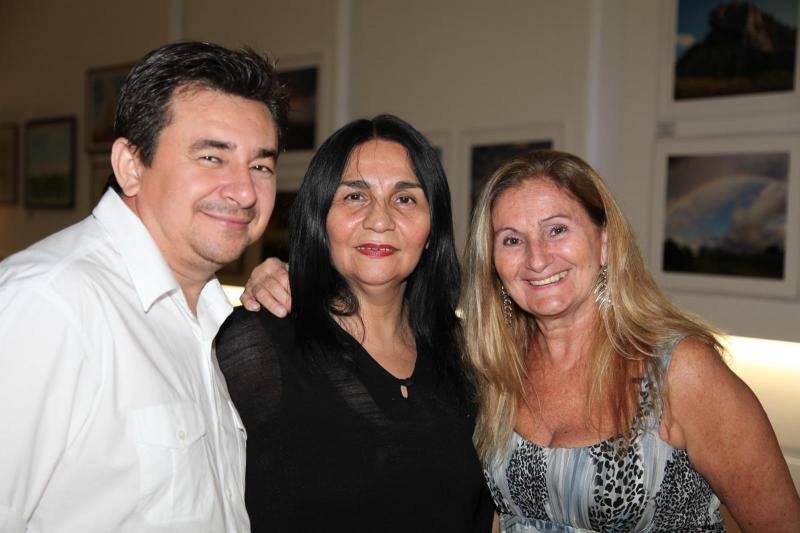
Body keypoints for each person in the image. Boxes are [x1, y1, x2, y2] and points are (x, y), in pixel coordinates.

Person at [0, 41, 288, 532]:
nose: (245, 191)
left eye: (260, 165)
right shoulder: (50, 305)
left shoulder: (205, 318)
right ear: (131, 166)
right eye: (212, 157)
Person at [460, 150, 800, 531]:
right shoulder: (496, 369)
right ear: (492, 261)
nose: (537, 259)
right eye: (511, 240)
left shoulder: (679, 370)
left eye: (557, 230)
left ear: (604, 242)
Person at [215, 114, 493, 532]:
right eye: (355, 196)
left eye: (405, 199)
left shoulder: (466, 353)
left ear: (432, 229)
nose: (379, 220)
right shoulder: (257, 343)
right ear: (320, 219)